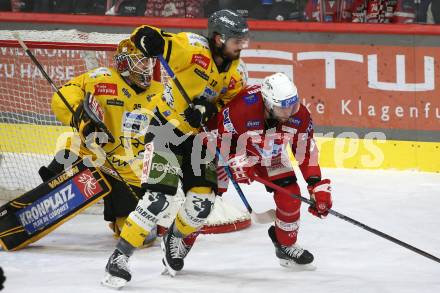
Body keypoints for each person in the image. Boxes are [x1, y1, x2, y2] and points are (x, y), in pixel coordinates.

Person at [102, 9, 249, 288]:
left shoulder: (237, 74)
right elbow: (149, 36)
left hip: (196, 139)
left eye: (244, 39)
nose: (242, 45)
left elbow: (225, 106)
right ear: (218, 39)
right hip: (165, 130)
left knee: (203, 204)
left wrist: (206, 109)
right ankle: (119, 257)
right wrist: (148, 39)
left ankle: (175, 239)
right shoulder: (191, 49)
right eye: (237, 40)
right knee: (157, 197)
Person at [40, 38, 163, 240]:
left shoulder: (160, 92)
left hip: (129, 171)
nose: (147, 67)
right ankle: (51, 190)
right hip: (95, 154)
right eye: (141, 61)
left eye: (150, 62)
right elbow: (65, 93)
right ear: (124, 63)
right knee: (71, 140)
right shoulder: (102, 79)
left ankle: (120, 219)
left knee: (140, 237)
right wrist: (79, 114)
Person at [207, 72, 332, 267]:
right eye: (283, 108)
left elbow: (306, 153)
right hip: (232, 149)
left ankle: (285, 245)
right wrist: (234, 160)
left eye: (293, 104)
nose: (290, 112)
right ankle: (179, 236)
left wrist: (316, 185)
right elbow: (220, 137)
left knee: (290, 197)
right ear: (267, 103)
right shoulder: (242, 109)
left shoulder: (300, 115)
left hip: (269, 152)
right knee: (205, 198)